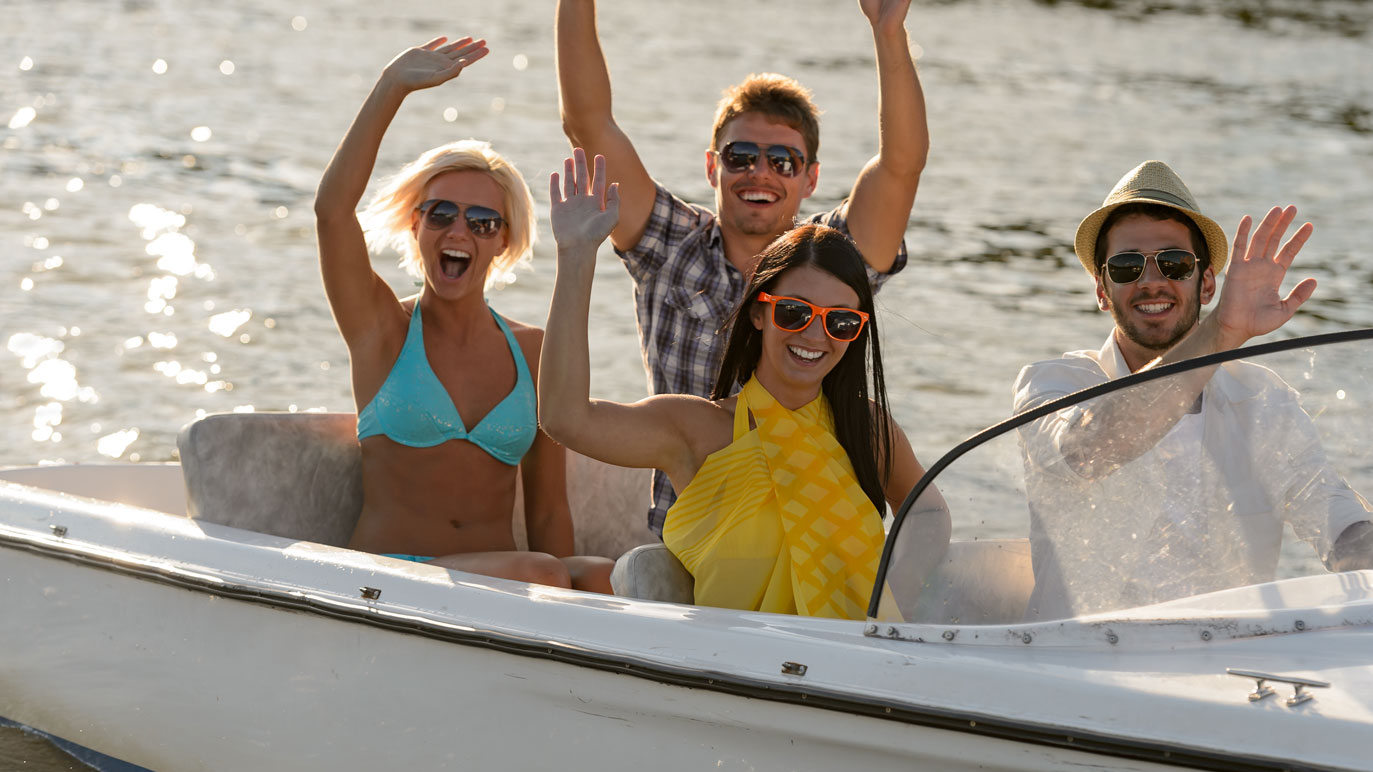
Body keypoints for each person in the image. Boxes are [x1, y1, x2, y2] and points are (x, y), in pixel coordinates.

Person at [1012, 160, 1373, 620]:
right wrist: (1223, 330)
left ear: (1206, 283)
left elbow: (1337, 525)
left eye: (1174, 263)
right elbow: (1089, 447)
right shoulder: (1052, 383)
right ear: (1102, 290)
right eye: (1127, 266)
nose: (1151, 280)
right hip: (1075, 663)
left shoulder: (1264, 400)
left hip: (1230, 669)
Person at [555, 0, 928, 535]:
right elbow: (588, 125)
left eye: (783, 162)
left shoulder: (833, 255)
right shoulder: (668, 243)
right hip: (691, 538)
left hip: (814, 532)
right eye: (740, 156)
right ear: (712, 164)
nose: (760, 173)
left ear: (811, 177)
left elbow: (901, 165)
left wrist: (888, 32)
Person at [540, 150, 946, 618]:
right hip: (738, 671)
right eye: (794, 312)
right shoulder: (695, 429)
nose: (815, 335)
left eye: (840, 322)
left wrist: (887, 604)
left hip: (852, 669)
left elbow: (929, 513)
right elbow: (564, 418)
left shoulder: (868, 426)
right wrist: (574, 257)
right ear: (759, 312)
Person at [313, 36, 612, 592]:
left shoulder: (532, 351)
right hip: (390, 580)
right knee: (543, 571)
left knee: (605, 577)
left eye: (481, 222)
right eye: (441, 214)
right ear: (415, 226)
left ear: (502, 241)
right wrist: (391, 88)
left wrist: (572, 613)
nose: (458, 231)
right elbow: (332, 213)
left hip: (494, 589)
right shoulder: (382, 331)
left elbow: (548, 511)